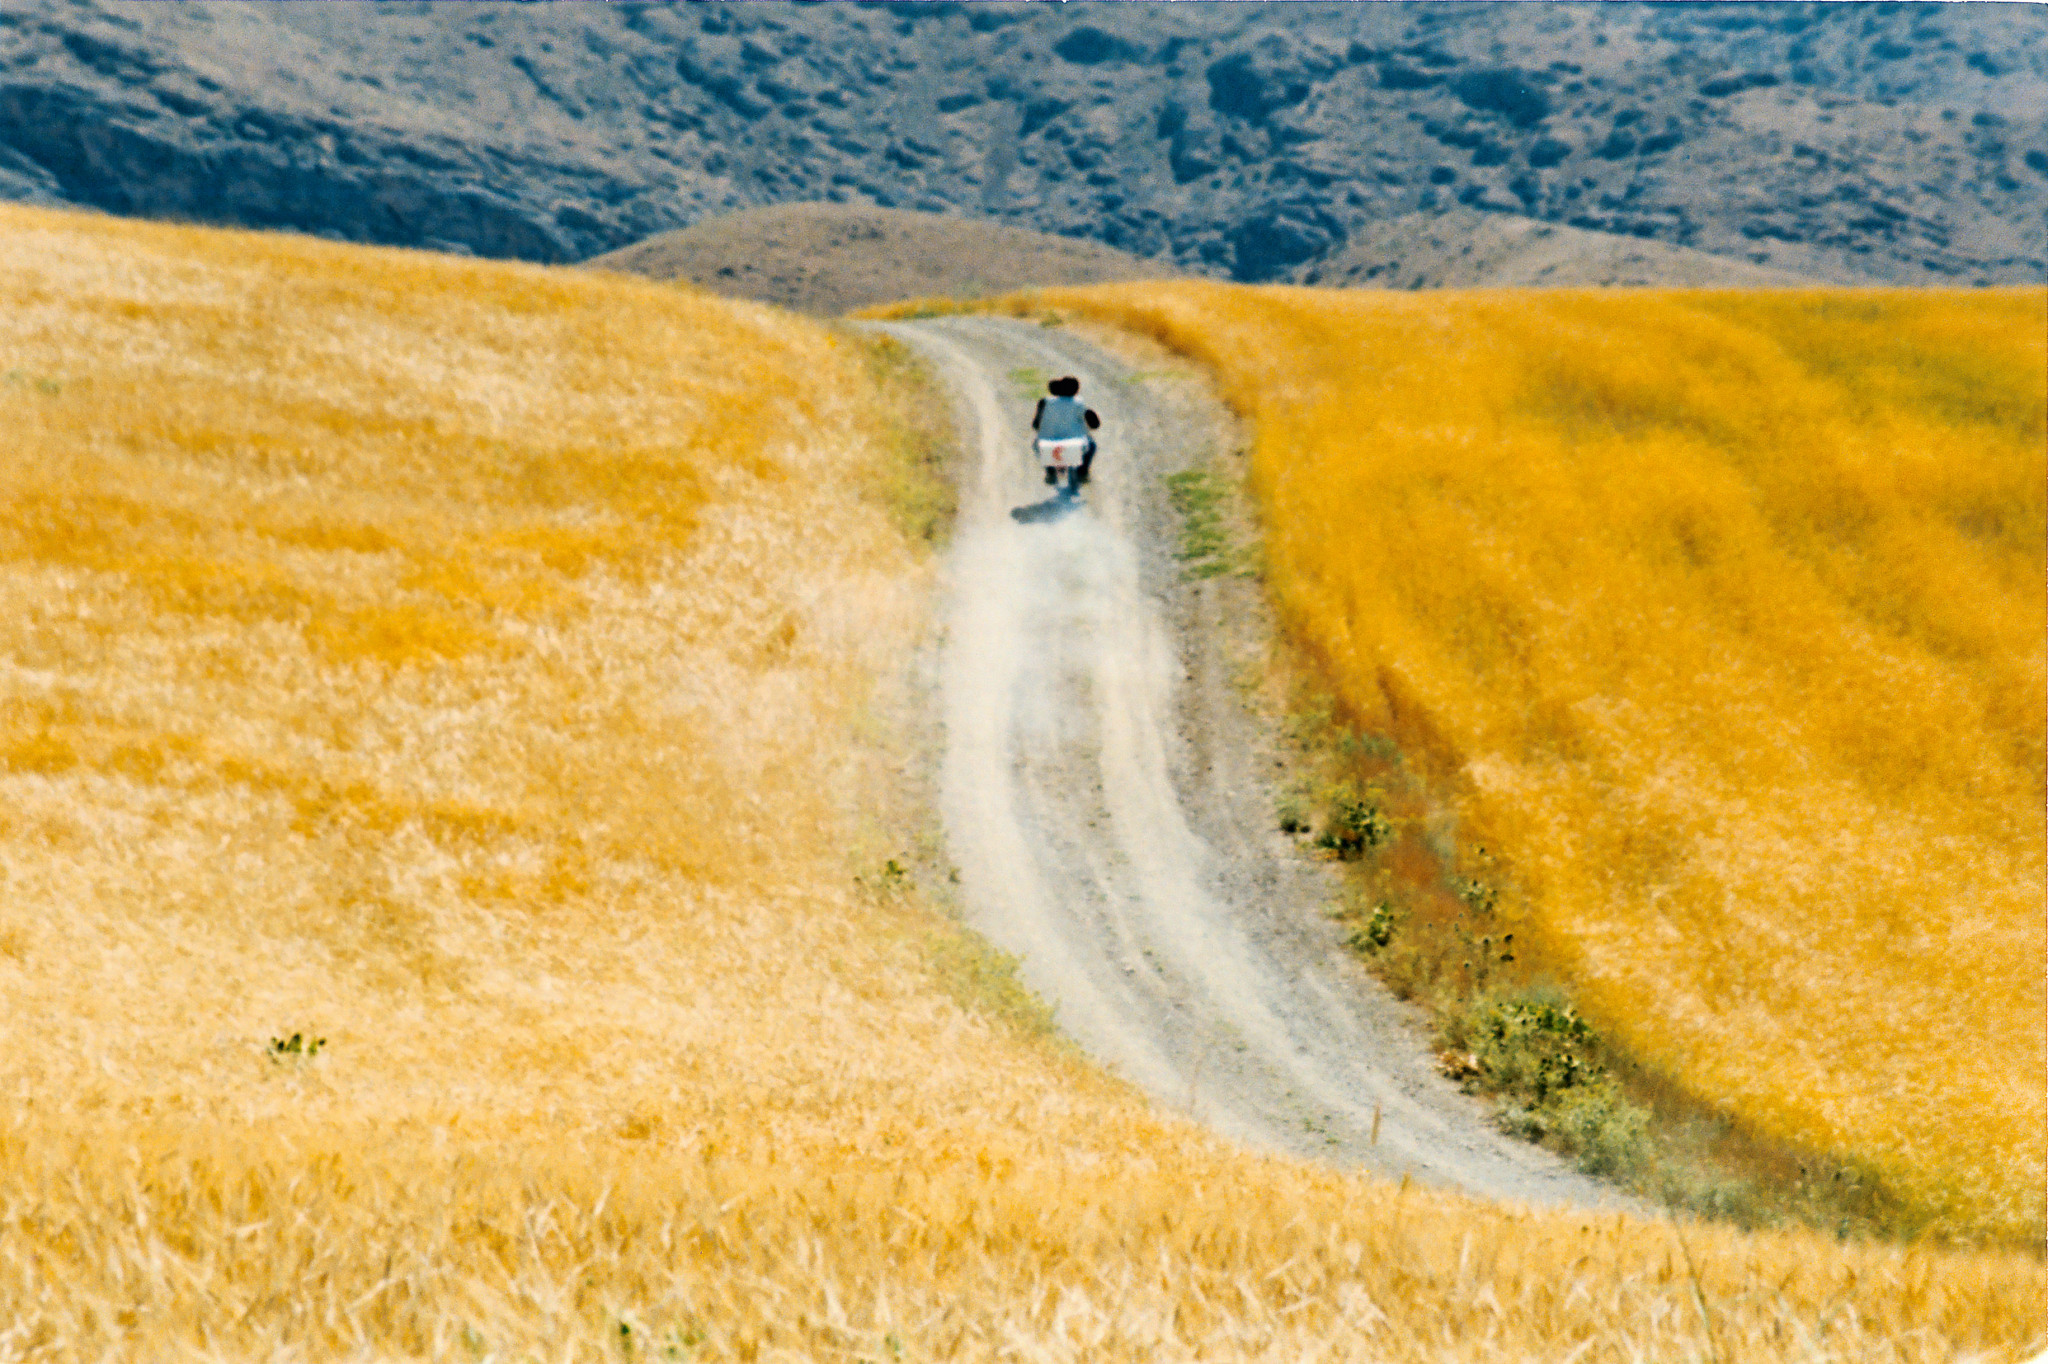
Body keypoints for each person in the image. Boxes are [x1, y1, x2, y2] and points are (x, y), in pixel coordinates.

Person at [1032, 375, 1101, 486]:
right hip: (1076, 443)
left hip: (1048, 444)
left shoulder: (1044, 402)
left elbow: (1036, 425)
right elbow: (1094, 423)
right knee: (1091, 445)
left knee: (1038, 446)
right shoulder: (1079, 403)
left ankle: (1050, 471)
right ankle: (1083, 472)